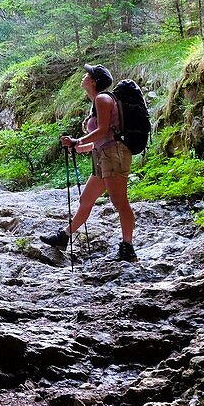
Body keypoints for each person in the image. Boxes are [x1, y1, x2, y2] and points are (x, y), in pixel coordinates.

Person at [39, 64, 137, 262]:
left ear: (93, 81)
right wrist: (78, 147)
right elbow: (102, 138)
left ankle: (128, 247)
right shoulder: (96, 103)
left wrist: (77, 141)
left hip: (114, 155)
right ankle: (63, 237)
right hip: (104, 156)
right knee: (86, 200)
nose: (84, 76)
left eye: (87, 74)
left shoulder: (102, 99)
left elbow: (102, 131)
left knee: (120, 203)